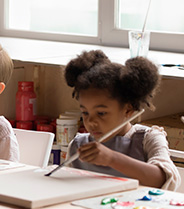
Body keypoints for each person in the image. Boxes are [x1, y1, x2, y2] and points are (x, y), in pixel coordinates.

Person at [64, 50, 181, 190]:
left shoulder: (148, 139)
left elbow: (164, 180)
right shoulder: (78, 145)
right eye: (85, 112)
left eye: (101, 113)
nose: (91, 122)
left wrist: (112, 159)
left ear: (128, 110)